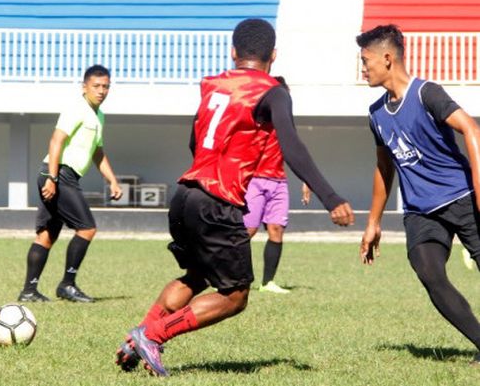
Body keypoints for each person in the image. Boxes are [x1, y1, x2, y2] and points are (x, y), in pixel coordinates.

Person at [115, 18, 355, 376]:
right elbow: (292, 146)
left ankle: (136, 340)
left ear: (233, 52)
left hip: (185, 194)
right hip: (216, 201)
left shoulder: (214, 86)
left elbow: (194, 141)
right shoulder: (273, 91)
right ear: (273, 55)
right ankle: (151, 335)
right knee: (235, 295)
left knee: (196, 275)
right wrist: (331, 197)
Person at [357, 24, 480, 366]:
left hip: (462, 198)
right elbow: (384, 168)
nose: (362, 68)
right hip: (421, 212)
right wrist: (373, 222)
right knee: (429, 273)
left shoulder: (428, 93)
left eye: (365, 61)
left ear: (387, 58)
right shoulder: (376, 114)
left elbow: (472, 130)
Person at [17, 64, 122, 303]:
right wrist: (53, 178)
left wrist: (112, 180)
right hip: (59, 174)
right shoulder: (76, 109)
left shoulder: (99, 115)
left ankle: (29, 291)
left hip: (63, 175)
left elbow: (98, 152)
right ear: (84, 87)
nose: (101, 90)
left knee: (46, 235)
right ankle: (67, 284)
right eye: (96, 86)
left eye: (106, 86)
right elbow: (56, 142)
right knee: (87, 228)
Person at [242, 76, 310, 294]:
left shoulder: (286, 125)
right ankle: (230, 277)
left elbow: (295, 153)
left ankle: (267, 283)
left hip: (279, 183)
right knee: (247, 231)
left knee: (276, 230)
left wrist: (306, 180)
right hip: (255, 181)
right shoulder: (256, 122)